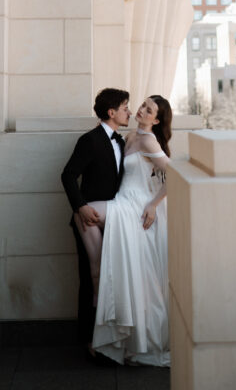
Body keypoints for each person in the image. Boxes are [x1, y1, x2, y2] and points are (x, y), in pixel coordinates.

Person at [89, 94, 173, 366]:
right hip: (123, 200)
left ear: (156, 120)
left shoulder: (148, 140)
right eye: (143, 105)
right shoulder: (129, 137)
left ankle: (97, 272)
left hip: (137, 207)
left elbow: (175, 175)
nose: (141, 110)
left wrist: (153, 205)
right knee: (139, 278)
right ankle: (131, 344)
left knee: (88, 212)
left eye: (149, 110)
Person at [61, 88, 131, 347]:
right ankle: (87, 342)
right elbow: (67, 175)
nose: (129, 112)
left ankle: (110, 341)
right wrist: (80, 207)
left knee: (111, 279)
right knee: (90, 280)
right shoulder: (89, 140)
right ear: (111, 112)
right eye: (125, 107)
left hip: (115, 218)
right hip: (88, 220)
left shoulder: (122, 142)